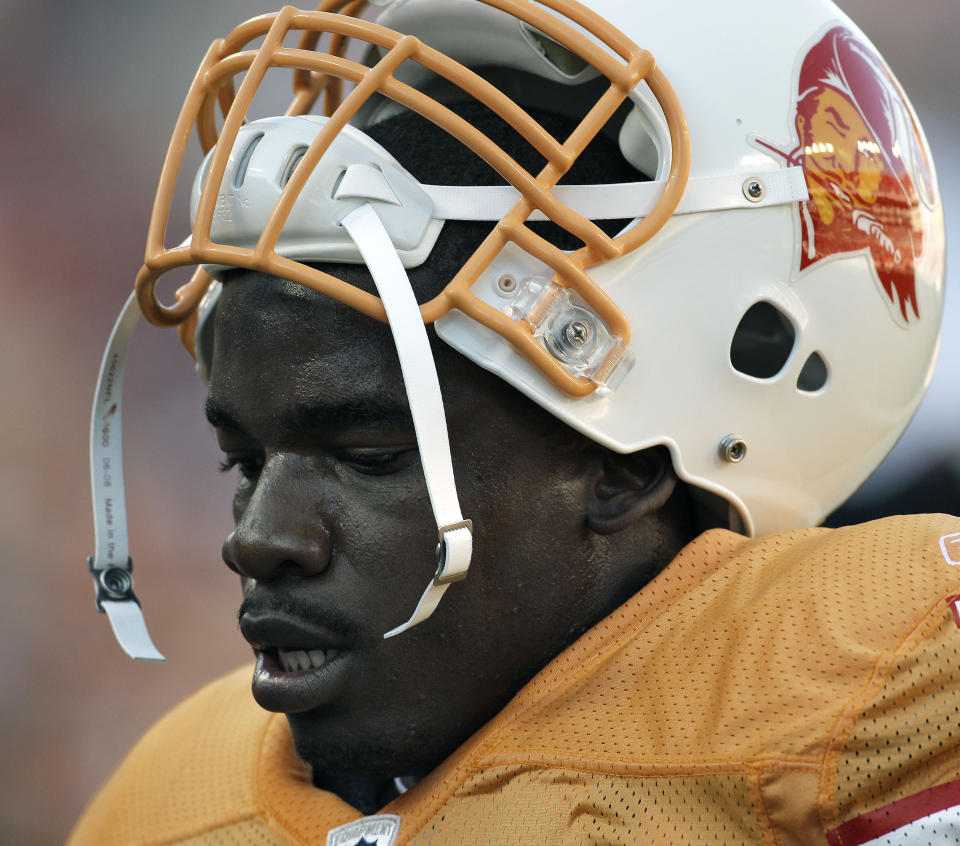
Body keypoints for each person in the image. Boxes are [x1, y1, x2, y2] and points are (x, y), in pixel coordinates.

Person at [71, 0, 956, 843]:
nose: (259, 540)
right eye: (245, 461)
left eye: (372, 455)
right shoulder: (167, 801)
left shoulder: (878, 696)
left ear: (625, 466)